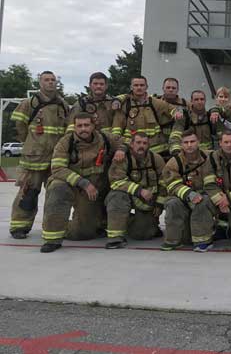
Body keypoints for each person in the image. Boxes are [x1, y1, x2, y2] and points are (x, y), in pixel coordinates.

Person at [40, 113, 124, 253]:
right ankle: (52, 238)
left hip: (91, 191)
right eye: (79, 126)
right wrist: (83, 183)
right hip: (70, 184)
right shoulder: (65, 142)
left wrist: (121, 150)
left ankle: (68, 227)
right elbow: (58, 169)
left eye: (86, 125)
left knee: (84, 233)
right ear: (75, 127)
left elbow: (125, 141)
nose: (83, 129)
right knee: (57, 188)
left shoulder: (104, 138)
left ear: (93, 126)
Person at [9, 71, 69, 239]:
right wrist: (30, 143)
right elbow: (19, 127)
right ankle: (19, 227)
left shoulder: (63, 105)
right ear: (40, 83)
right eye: (46, 80)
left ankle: (51, 228)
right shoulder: (29, 103)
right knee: (28, 193)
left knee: (55, 196)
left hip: (55, 159)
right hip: (33, 158)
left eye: (53, 80)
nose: (50, 83)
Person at [105, 132, 167, 248]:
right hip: (126, 196)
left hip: (146, 202)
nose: (141, 146)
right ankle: (115, 237)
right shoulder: (122, 158)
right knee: (116, 196)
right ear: (132, 144)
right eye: (138, 142)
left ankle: (134, 223)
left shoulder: (156, 159)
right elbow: (115, 181)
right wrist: (139, 190)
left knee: (143, 234)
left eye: (144, 143)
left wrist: (159, 204)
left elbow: (164, 184)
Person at [161, 130, 214, 251]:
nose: (189, 145)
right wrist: (189, 194)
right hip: (183, 199)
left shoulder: (210, 156)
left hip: (204, 198)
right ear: (181, 145)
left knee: (203, 200)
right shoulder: (174, 162)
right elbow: (172, 185)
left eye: (192, 141)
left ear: (198, 142)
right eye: (186, 142)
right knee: (172, 203)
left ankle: (202, 241)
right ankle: (172, 240)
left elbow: (227, 152)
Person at [111, 76, 177, 156]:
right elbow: (116, 130)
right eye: (136, 85)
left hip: (156, 150)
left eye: (142, 85)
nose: (139, 88)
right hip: (132, 150)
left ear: (146, 87)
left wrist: (176, 113)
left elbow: (171, 108)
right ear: (131, 87)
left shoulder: (155, 103)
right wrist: (120, 147)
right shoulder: (124, 105)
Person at [154, 78, 190, 159]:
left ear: (178, 89)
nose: (171, 90)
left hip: (177, 146)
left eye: (173, 88)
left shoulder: (186, 104)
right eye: (168, 87)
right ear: (163, 88)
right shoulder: (154, 102)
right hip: (158, 146)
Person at [169, 89, 213, 154]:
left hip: (208, 155)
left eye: (202, 99)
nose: (199, 102)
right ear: (191, 101)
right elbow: (175, 135)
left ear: (205, 101)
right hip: (189, 155)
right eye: (196, 99)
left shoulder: (210, 117)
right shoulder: (185, 118)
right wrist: (177, 152)